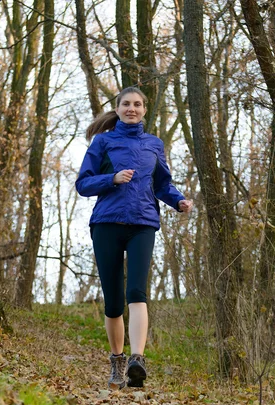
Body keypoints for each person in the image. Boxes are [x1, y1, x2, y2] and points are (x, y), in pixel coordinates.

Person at [76, 87, 193, 389]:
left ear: (144, 110)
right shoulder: (102, 142)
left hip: (143, 222)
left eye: (137, 104)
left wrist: (178, 201)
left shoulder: (154, 144)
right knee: (114, 301)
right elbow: (83, 184)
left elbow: (163, 184)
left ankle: (136, 361)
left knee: (137, 292)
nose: (132, 108)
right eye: (126, 104)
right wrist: (111, 179)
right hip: (107, 223)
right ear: (117, 110)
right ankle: (117, 360)